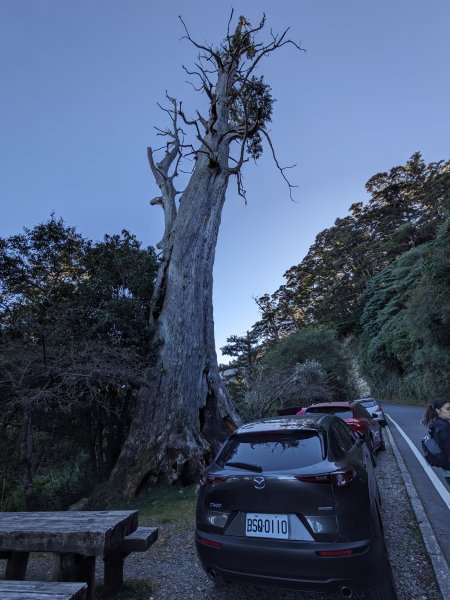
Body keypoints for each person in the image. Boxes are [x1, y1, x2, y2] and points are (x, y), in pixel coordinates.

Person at [422, 398, 450, 487]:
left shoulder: (436, 423)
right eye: (448, 409)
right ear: (438, 410)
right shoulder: (444, 426)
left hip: (447, 470)